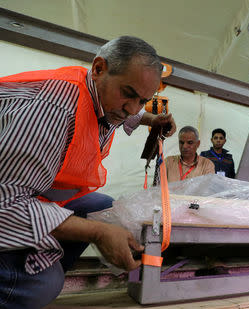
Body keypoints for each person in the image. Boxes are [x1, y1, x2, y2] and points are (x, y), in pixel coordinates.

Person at [0, 36, 176, 308]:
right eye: (128, 94)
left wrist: (152, 120)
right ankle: (26, 278)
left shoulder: (105, 99)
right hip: (7, 203)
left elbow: (128, 110)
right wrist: (97, 233)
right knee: (44, 286)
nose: (132, 108)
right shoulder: (52, 110)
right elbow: (5, 204)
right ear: (98, 69)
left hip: (27, 196)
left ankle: (40, 261)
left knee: (101, 207)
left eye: (143, 100)